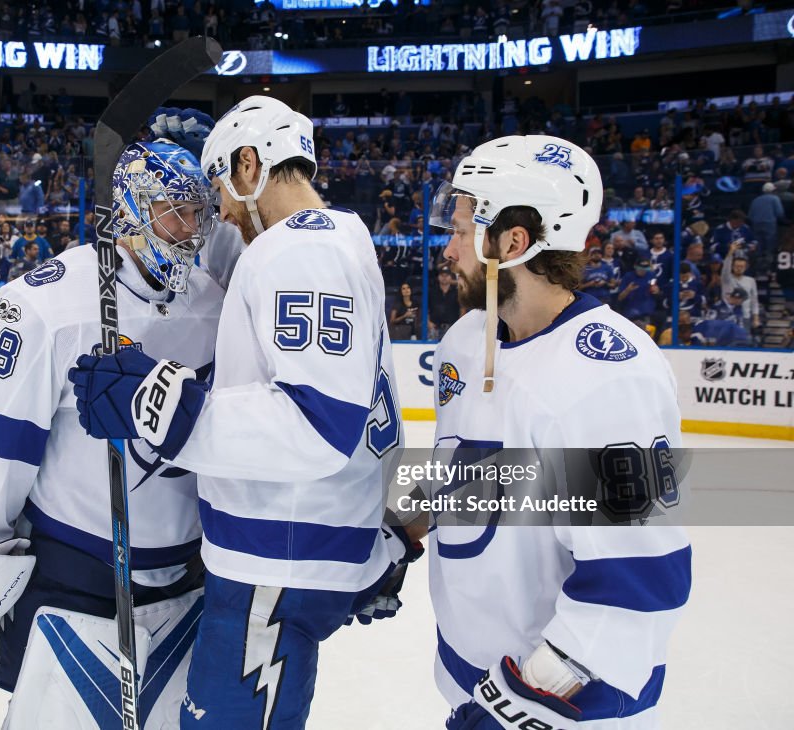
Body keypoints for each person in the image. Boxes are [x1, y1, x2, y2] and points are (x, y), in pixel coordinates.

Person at [71, 96, 412, 729]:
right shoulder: (336, 240)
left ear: (250, 165)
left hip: (274, 565)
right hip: (300, 547)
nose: (219, 212)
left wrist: (158, 404)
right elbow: (251, 270)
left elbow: (316, 423)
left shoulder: (300, 253)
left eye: (223, 187)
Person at [0, 139, 243, 729]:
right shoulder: (45, 307)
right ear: (131, 208)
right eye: (173, 211)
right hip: (75, 585)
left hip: (187, 586)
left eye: (199, 213)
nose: (190, 229)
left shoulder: (219, 304)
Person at [427, 135, 691, 728]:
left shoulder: (609, 376)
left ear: (513, 241)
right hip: (473, 688)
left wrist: (524, 705)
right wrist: (393, 539)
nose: (449, 248)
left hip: (557, 712)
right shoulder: (467, 342)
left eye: (465, 229)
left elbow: (636, 581)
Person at [428, 265, 460, 339]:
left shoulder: (457, 292)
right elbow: (426, 308)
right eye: (442, 275)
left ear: (450, 277)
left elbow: (462, 309)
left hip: (451, 328)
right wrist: (428, 322)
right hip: (434, 328)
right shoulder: (432, 292)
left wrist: (458, 324)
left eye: (447, 275)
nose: (444, 277)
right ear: (438, 277)